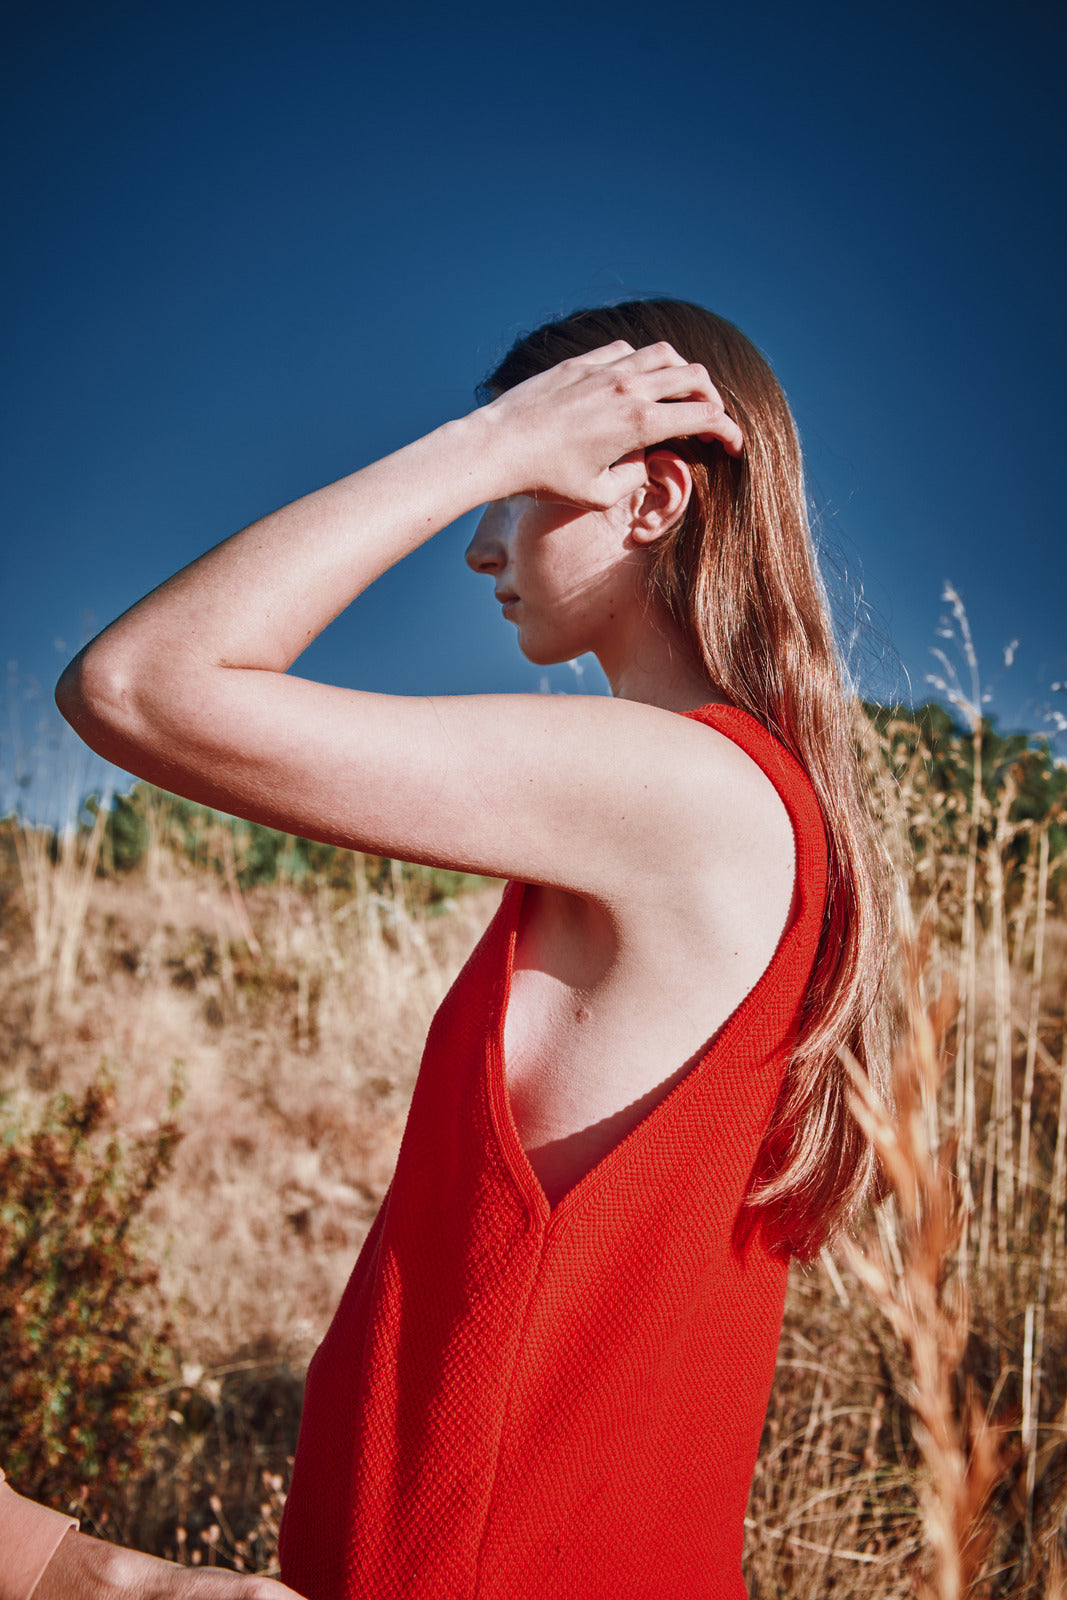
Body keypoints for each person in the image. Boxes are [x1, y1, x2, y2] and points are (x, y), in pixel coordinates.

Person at [43, 298, 890, 1599]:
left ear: (654, 502)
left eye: (529, 489)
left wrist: (478, 444)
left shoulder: (684, 793)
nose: (482, 548)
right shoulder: (745, 806)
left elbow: (138, 686)